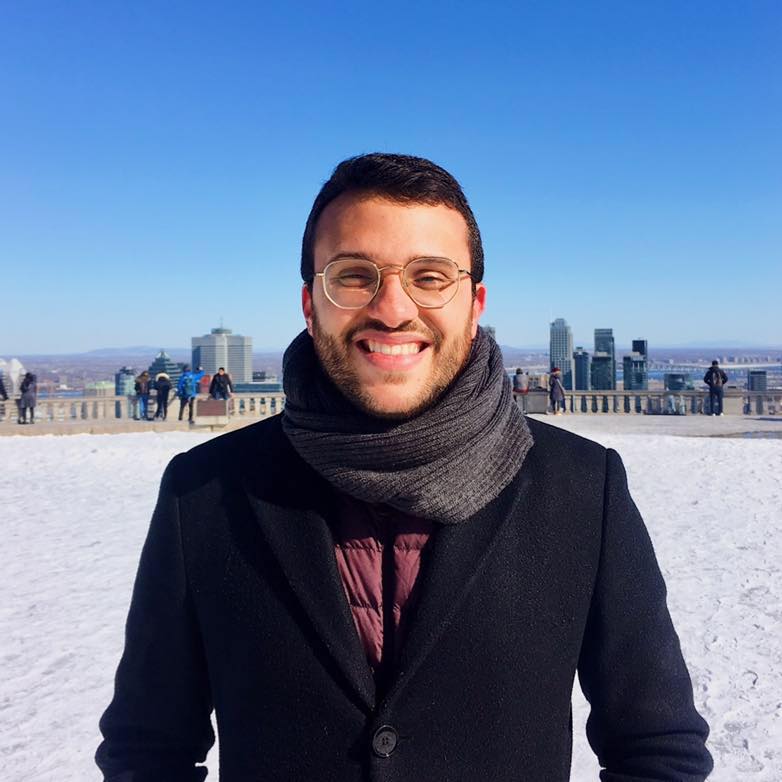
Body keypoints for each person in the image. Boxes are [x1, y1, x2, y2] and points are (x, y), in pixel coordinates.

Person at [97, 153, 712, 781]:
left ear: (474, 303)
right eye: (353, 276)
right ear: (310, 303)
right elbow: (147, 749)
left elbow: (657, 748)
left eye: (430, 277)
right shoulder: (204, 492)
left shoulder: (582, 488)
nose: (393, 309)